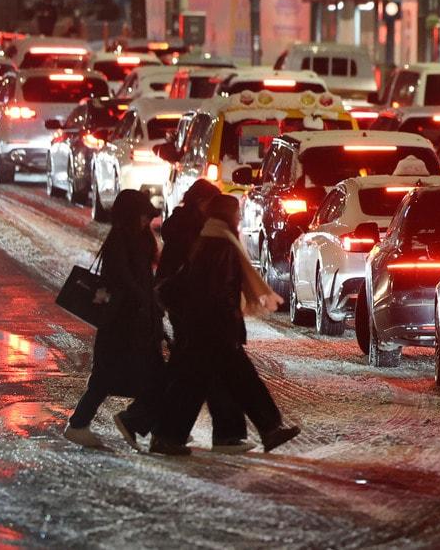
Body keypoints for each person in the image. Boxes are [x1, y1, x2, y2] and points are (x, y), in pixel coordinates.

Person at [151, 196, 300, 456]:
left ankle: (267, 429)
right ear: (227, 215)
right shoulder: (222, 245)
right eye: (236, 214)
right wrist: (227, 326)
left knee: (211, 384)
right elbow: (218, 292)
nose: (239, 219)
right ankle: (167, 436)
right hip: (214, 331)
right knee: (222, 383)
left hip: (205, 329)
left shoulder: (208, 239)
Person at [63, 189, 165, 450]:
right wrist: (144, 300)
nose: (146, 222)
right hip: (123, 324)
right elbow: (123, 279)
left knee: (147, 377)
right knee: (108, 378)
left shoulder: (137, 238)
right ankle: (81, 424)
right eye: (142, 216)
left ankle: (151, 427)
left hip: (136, 322)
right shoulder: (121, 238)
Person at [156, 179, 252, 453]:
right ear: (202, 203)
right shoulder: (196, 230)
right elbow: (200, 276)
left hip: (193, 308)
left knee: (196, 373)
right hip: (194, 310)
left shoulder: (188, 225)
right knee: (196, 374)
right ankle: (158, 428)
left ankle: (167, 431)